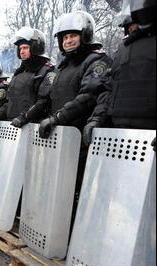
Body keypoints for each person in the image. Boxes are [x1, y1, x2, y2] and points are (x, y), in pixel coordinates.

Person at [14, 10, 112, 222]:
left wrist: (57, 118)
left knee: (79, 189)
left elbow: (88, 96)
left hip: (82, 138)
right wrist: (34, 116)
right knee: (58, 187)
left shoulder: (96, 61)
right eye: (64, 37)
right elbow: (47, 99)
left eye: (73, 36)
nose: (68, 41)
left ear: (84, 35)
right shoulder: (63, 67)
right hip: (60, 137)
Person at [83, 0, 156, 147]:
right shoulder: (123, 49)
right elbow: (110, 89)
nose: (133, 30)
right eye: (130, 28)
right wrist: (97, 119)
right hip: (121, 136)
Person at [0, 27, 55, 126]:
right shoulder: (18, 73)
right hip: (12, 127)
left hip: (32, 128)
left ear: (35, 48)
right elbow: (10, 101)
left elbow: (43, 102)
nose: (22, 51)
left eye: (25, 48)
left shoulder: (46, 71)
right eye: (20, 48)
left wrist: (25, 117)